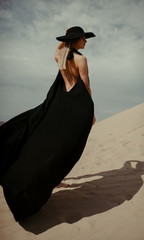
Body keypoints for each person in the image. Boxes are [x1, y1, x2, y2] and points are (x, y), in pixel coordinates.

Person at [0, 26, 96, 221]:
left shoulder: (61, 56)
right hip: (76, 107)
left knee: (52, 142)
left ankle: (55, 179)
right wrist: (91, 112)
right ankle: (52, 178)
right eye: (83, 38)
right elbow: (85, 86)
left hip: (59, 103)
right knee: (66, 147)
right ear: (77, 39)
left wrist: (66, 37)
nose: (85, 41)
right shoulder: (81, 59)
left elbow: (58, 50)